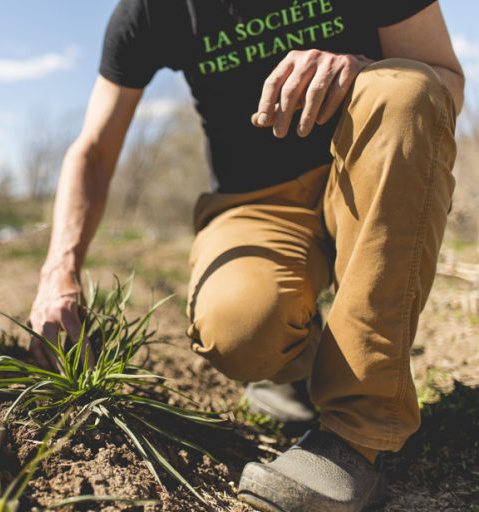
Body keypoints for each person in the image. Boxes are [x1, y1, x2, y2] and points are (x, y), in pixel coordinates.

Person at [28, 1, 464, 510]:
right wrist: (58, 274)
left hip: (367, 168)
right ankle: (305, 363)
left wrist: (364, 69)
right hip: (256, 203)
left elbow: (444, 81)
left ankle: (356, 436)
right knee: (241, 329)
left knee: (403, 89)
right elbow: (94, 150)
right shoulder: (150, 11)